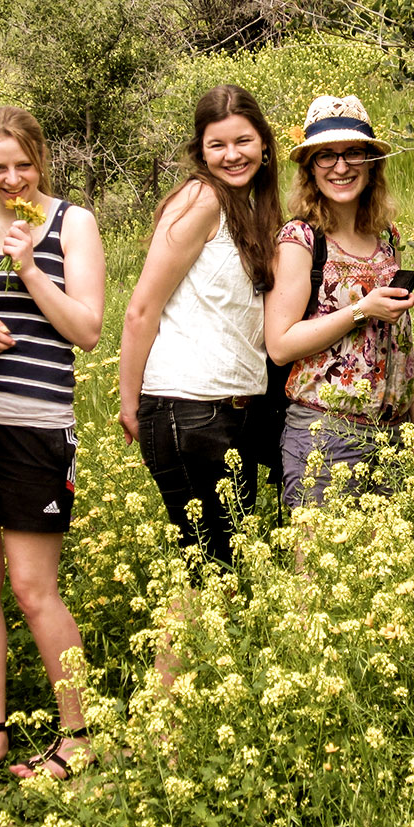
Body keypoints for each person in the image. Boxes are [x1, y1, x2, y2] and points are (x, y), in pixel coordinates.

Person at [0, 106, 105, 781]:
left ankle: (79, 734)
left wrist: (30, 268)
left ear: (41, 160)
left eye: (22, 164)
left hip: (36, 428)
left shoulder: (73, 223)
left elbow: (88, 329)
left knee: (32, 587)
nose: (11, 178)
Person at [119, 84, 282, 566]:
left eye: (243, 141)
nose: (232, 155)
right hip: (187, 409)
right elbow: (141, 310)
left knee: (220, 568)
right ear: (201, 151)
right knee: (207, 570)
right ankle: (177, 645)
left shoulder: (252, 209)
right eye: (217, 145)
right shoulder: (201, 201)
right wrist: (130, 403)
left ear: (265, 144)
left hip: (231, 411)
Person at [264, 94, 414, 508]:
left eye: (354, 152)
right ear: (310, 168)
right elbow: (280, 345)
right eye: (326, 156)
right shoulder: (301, 240)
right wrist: (359, 310)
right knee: (317, 570)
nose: (341, 167)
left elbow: (400, 351)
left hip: (392, 437)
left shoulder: (387, 238)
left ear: (372, 164)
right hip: (325, 433)